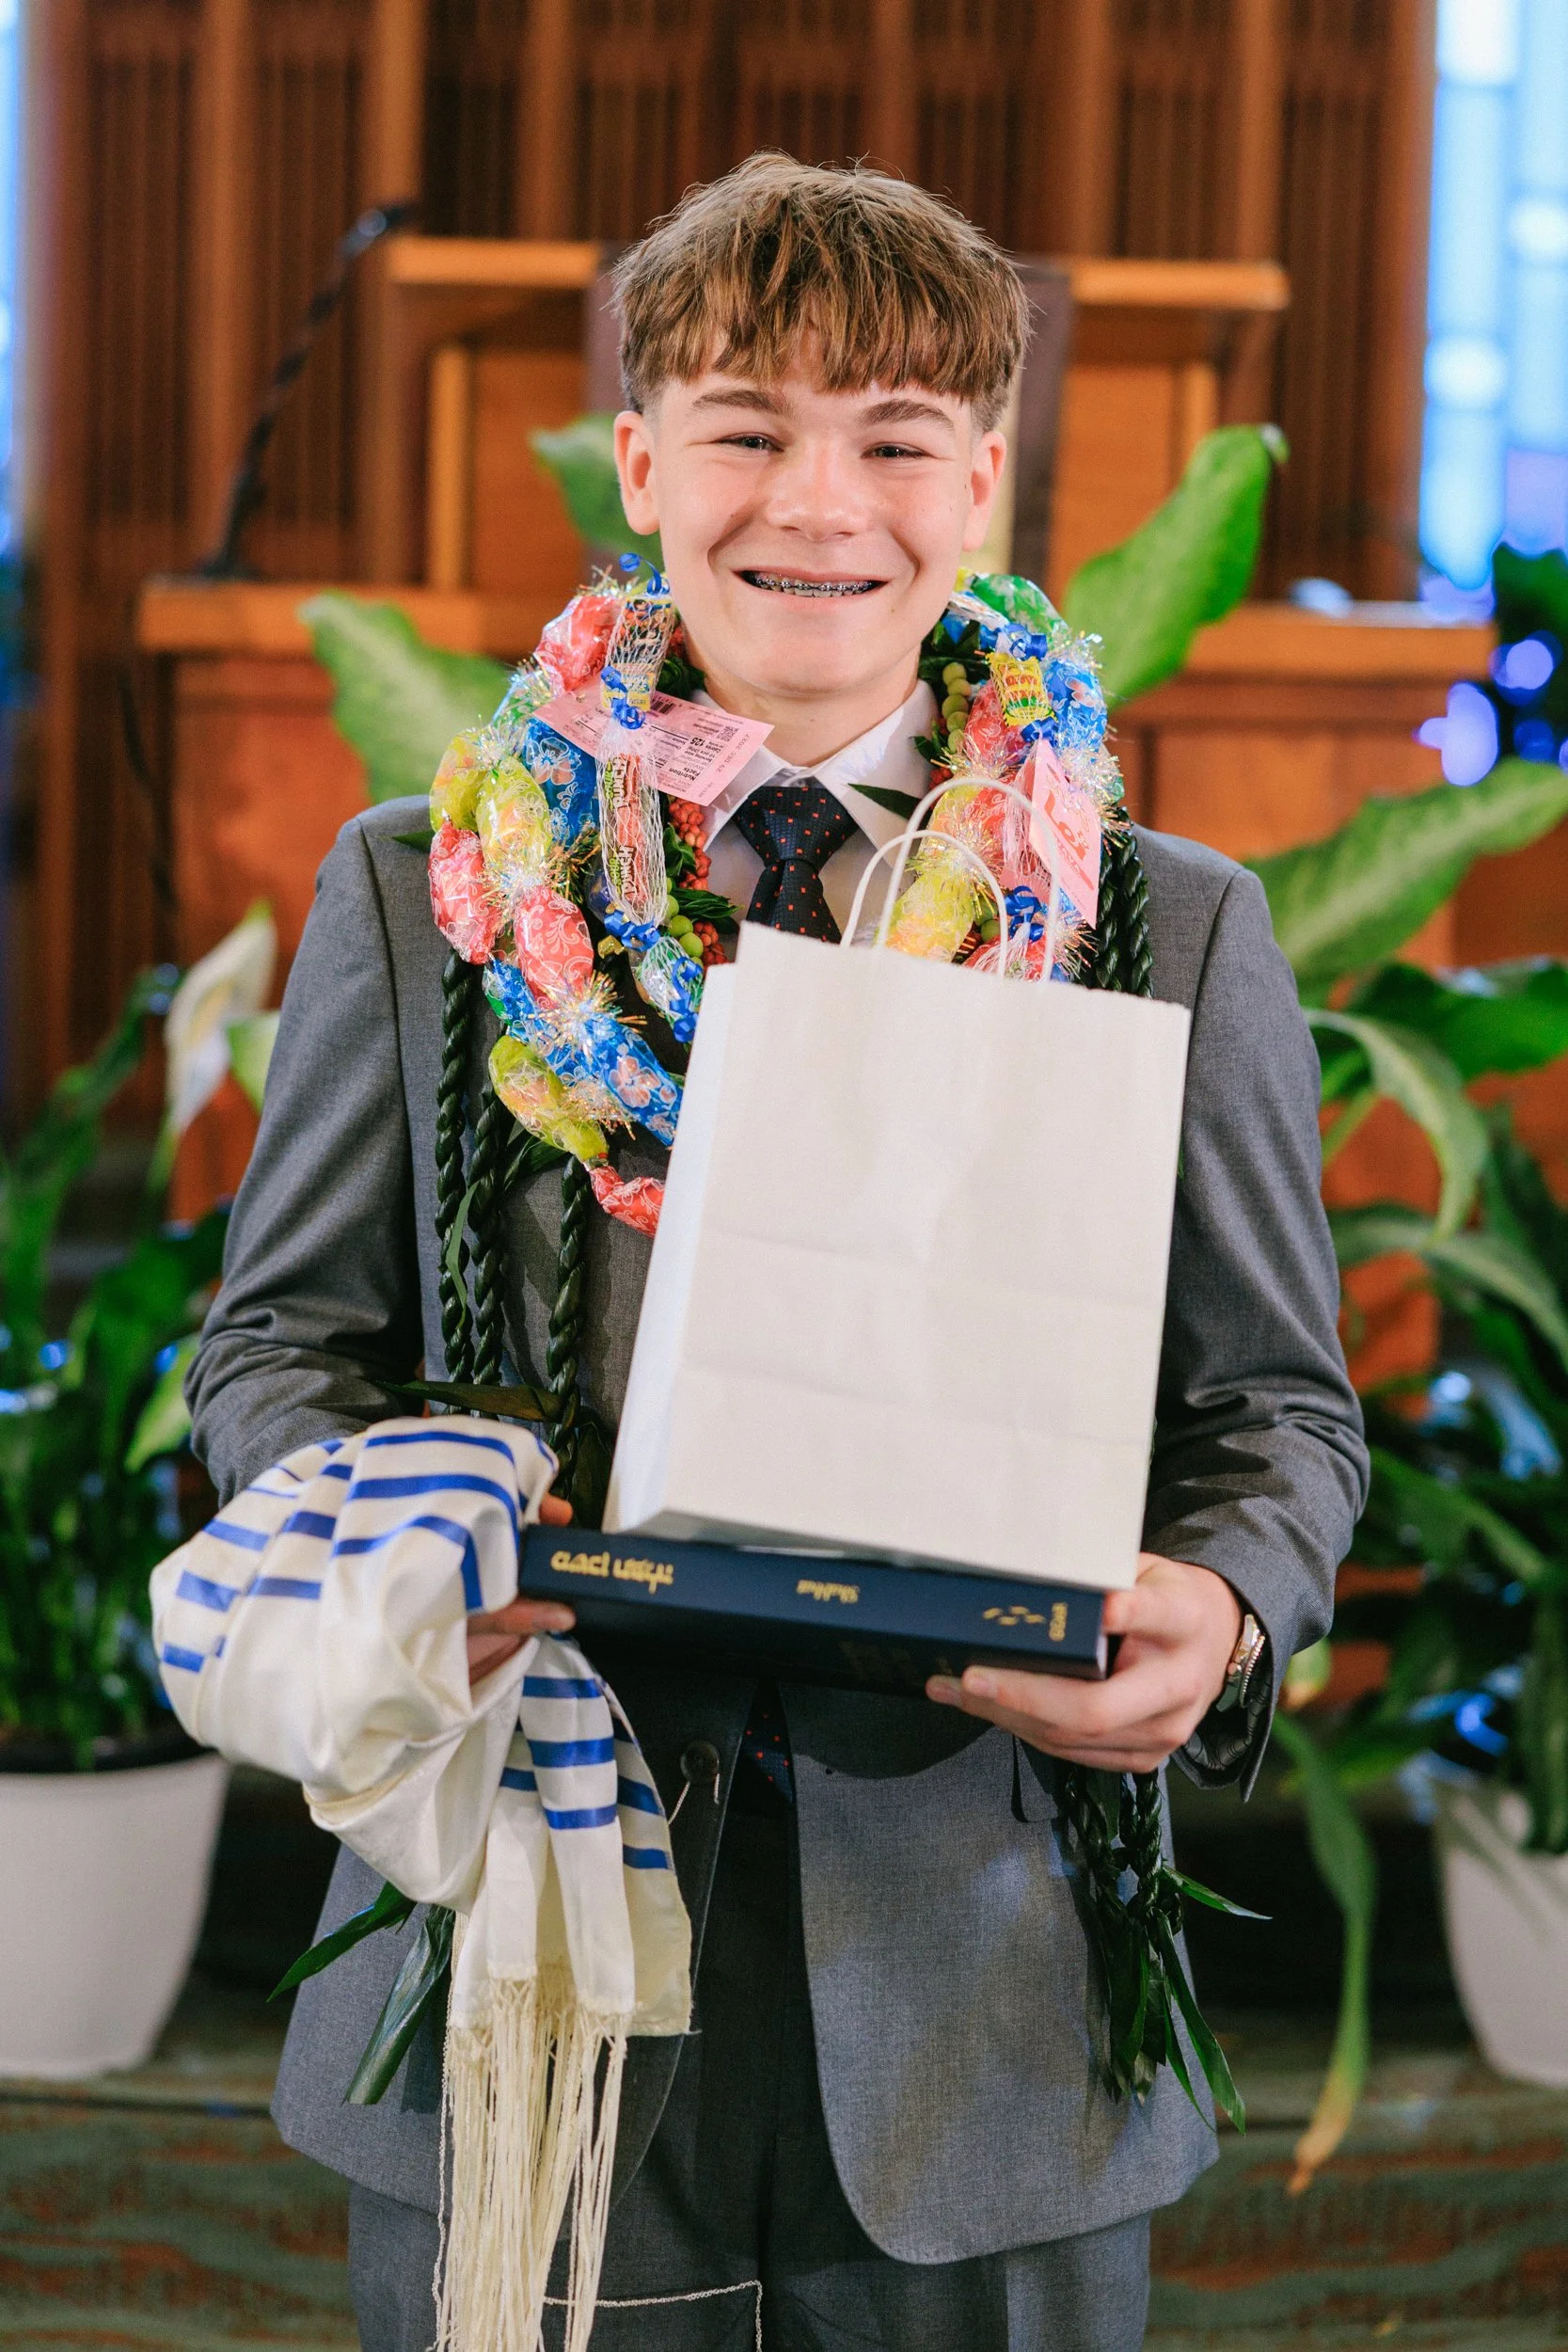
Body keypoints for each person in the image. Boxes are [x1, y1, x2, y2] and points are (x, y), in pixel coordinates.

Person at [188, 155, 1368, 2352]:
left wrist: (1218, 1608)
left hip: (985, 1974)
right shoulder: (419, 891)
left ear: (983, 481)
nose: (815, 501)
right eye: (742, 424)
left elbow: (1275, 1411)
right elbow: (272, 1351)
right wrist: (409, 1542)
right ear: (640, 461)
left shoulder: (1155, 923)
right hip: (514, 1924)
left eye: (895, 437)